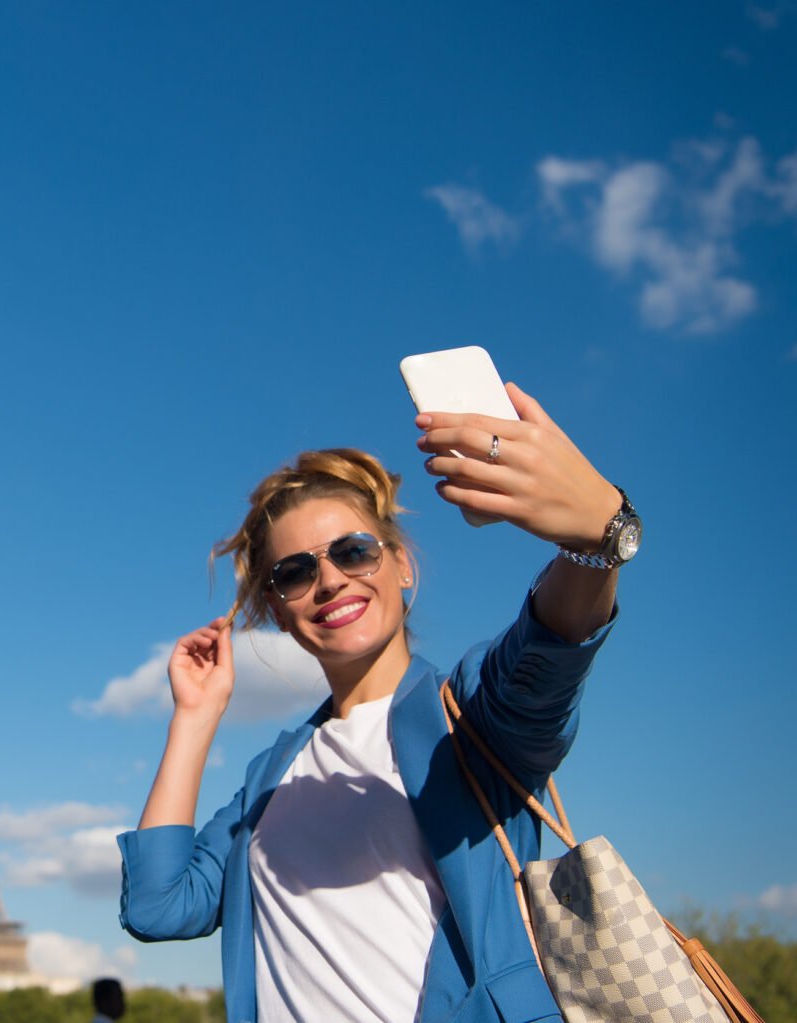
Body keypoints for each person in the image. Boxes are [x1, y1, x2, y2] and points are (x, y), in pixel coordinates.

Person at [118, 384, 637, 1023]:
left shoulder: (466, 717)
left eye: (354, 551)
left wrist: (597, 540)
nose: (330, 579)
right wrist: (194, 720)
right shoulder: (268, 782)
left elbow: (545, 659)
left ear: (402, 565)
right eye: (295, 572)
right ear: (277, 611)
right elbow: (158, 906)